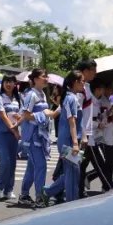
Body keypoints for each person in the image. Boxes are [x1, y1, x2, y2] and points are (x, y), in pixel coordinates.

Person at [42, 71, 85, 205]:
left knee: (72, 173)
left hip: (69, 139)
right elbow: (71, 121)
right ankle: (72, 204)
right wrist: (75, 143)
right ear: (75, 82)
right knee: (72, 173)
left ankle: (48, 192)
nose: (84, 83)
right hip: (68, 141)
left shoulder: (71, 97)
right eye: (82, 81)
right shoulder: (71, 98)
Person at [18, 68, 59, 205]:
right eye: (43, 76)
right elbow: (26, 115)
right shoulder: (31, 95)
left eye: (46, 76)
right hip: (32, 137)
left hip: (40, 136)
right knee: (41, 166)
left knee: (32, 167)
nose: (46, 78)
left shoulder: (41, 93)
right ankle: (39, 197)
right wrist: (43, 114)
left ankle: (24, 194)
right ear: (35, 79)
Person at [0, 75, 23, 199]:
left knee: (13, 163)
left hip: (13, 135)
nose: (8, 84)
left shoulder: (18, 98)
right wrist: (14, 130)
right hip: (1, 134)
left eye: (11, 82)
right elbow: (3, 116)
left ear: (15, 84)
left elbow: (22, 115)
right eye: (6, 82)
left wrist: (18, 120)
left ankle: (8, 189)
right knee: (5, 161)